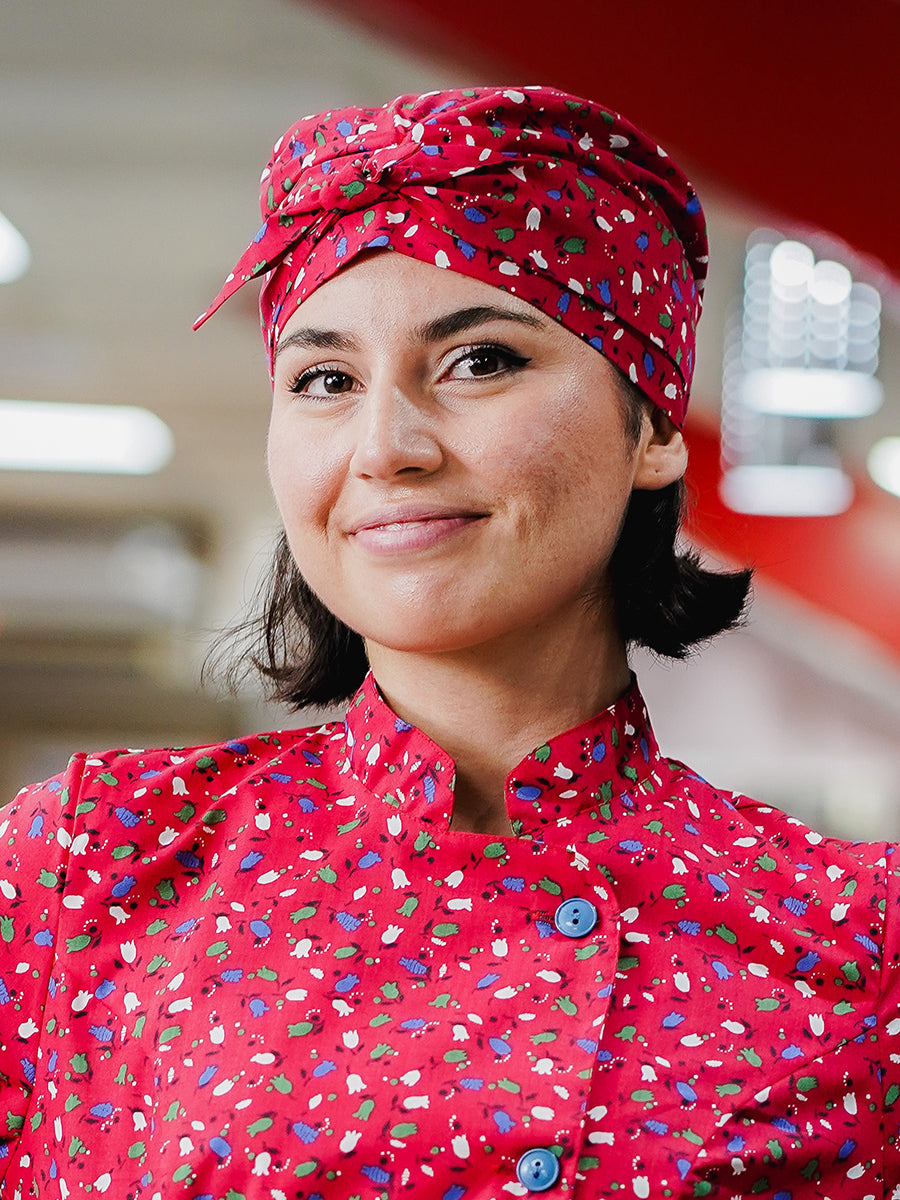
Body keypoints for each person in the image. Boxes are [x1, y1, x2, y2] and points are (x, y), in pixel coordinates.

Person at [1, 86, 897, 1200]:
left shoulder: (857, 940)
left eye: (479, 362)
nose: (386, 446)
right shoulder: (85, 868)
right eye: (325, 380)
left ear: (657, 425)